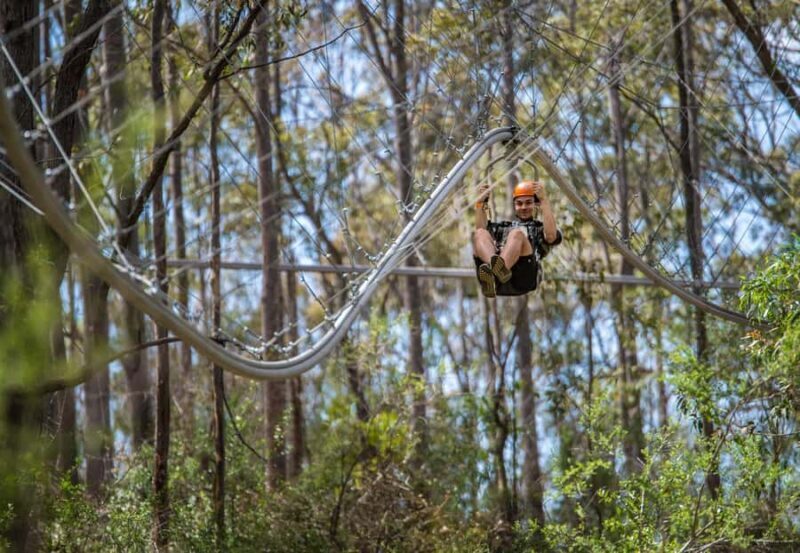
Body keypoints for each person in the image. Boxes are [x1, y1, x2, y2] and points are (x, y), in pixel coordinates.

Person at [473, 180, 562, 298]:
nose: (524, 207)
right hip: (494, 284)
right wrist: (480, 202)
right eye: (519, 203)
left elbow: (551, 236)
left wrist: (544, 201)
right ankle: (496, 274)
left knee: (517, 234)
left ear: (535, 204)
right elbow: (480, 236)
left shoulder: (539, 229)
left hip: (522, 279)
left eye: (528, 203)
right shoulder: (501, 227)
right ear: (514, 206)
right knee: (479, 233)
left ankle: (496, 273)